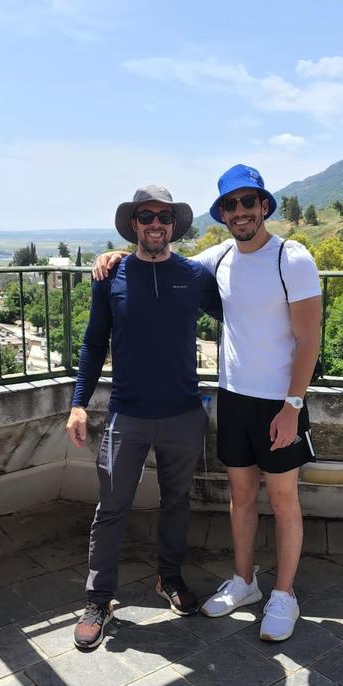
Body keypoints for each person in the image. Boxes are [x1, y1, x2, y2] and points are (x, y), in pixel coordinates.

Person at [93, 164, 321, 642]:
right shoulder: (218, 258)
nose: (240, 211)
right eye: (230, 205)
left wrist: (293, 405)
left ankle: (284, 594)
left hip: (280, 402)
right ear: (222, 214)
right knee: (241, 497)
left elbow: (309, 340)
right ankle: (244, 582)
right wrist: (114, 257)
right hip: (233, 397)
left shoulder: (293, 258)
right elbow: (160, 260)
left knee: (284, 500)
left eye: (248, 201)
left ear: (264, 205)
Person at [67, 185, 221, 651]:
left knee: (176, 501)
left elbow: (239, 314)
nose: (156, 224)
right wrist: (78, 403)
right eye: (147, 216)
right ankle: (99, 600)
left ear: (174, 225)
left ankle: (168, 578)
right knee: (112, 507)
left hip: (183, 413)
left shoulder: (193, 275)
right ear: (134, 224)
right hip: (127, 415)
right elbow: (94, 342)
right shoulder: (110, 275)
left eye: (164, 217)